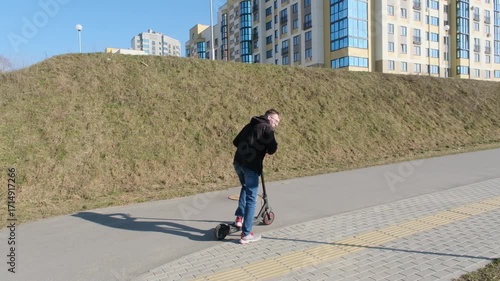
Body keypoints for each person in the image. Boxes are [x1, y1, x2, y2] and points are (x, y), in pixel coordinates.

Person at [232, 109, 280, 244]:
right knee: (251, 199)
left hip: (238, 162)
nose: (276, 124)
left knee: (245, 187)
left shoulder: (250, 125)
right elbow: (272, 149)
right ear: (269, 118)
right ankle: (246, 234)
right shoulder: (267, 128)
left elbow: (235, 142)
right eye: (276, 121)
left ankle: (239, 219)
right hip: (251, 166)